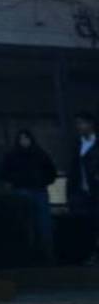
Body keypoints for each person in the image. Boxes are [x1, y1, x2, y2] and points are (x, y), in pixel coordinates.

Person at [0, 129, 59, 264]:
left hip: (38, 191)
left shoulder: (40, 154)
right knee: (27, 224)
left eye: (26, 138)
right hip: (23, 192)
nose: (24, 141)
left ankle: (47, 255)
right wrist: (14, 182)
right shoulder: (13, 155)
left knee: (43, 224)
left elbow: (51, 172)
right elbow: (2, 173)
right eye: (22, 139)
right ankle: (31, 255)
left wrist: (42, 181)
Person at [70, 114, 99, 265]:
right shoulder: (77, 145)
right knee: (89, 224)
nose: (79, 127)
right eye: (78, 124)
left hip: (95, 189)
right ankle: (92, 253)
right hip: (83, 191)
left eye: (82, 124)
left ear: (90, 124)